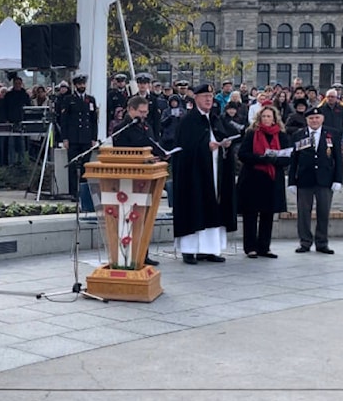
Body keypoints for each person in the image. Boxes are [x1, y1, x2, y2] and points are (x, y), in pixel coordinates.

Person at [172, 83, 237, 264]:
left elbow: (223, 135)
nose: (209, 100)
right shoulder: (188, 121)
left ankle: (209, 249)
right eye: (204, 97)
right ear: (196, 99)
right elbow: (183, 149)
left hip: (215, 171)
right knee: (195, 206)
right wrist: (205, 147)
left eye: (211, 97)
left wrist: (226, 145)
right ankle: (189, 249)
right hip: (194, 175)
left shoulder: (215, 119)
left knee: (213, 206)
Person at [111, 95, 167, 266]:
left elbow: (150, 144)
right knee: (130, 217)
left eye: (146, 112)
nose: (144, 115)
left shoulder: (145, 126)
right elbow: (122, 152)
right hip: (129, 179)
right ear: (131, 110)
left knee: (144, 216)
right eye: (141, 112)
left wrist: (160, 155)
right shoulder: (122, 128)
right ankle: (128, 254)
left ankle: (143, 252)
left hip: (146, 177)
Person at [236, 104, 291, 258]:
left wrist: (275, 159)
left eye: (269, 116)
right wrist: (261, 158)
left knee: (268, 215)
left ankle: (264, 247)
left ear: (274, 119)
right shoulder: (252, 133)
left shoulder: (281, 135)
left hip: (272, 180)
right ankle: (250, 248)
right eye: (264, 116)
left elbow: (287, 157)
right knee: (251, 215)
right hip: (253, 179)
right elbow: (242, 154)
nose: (266, 119)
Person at [288, 107, 343, 254]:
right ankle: (305, 242)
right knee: (303, 213)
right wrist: (291, 181)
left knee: (323, 212)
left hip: (325, 179)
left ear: (322, 119)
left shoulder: (332, 134)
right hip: (304, 180)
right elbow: (294, 160)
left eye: (317, 117)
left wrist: (338, 179)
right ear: (307, 120)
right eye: (311, 118)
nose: (314, 120)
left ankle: (322, 242)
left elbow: (338, 159)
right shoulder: (299, 135)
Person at [58, 74, 98, 199]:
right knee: (72, 166)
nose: (82, 86)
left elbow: (93, 121)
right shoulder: (69, 99)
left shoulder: (90, 99)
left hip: (86, 138)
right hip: (73, 138)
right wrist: (65, 138)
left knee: (86, 166)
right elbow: (64, 121)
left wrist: (93, 138)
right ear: (75, 85)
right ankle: (73, 193)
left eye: (83, 84)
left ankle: (84, 192)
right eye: (79, 84)